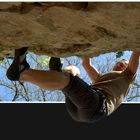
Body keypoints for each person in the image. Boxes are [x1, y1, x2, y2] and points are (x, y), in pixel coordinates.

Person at [6, 47, 140, 123]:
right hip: (80, 111)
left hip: (98, 105)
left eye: (124, 64)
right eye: (119, 62)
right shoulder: (100, 78)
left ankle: (22, 72)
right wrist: (86, 47)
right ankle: (55, 74)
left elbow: (136, 50)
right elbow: (86, 64)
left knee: (69, 80)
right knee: (73, 71)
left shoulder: (128, 76)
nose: (120, 63)